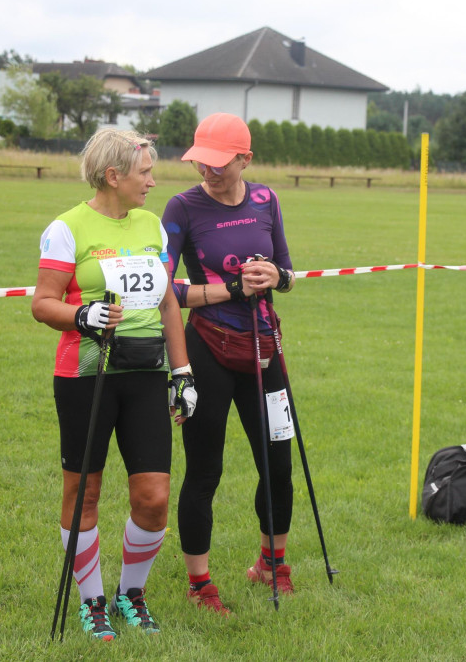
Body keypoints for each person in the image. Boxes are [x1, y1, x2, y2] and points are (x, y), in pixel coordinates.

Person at [32, 128, 197, 641]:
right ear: (114, 176)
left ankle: (132, 593)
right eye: (145, 171)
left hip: (146, 375)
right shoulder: (67, 228)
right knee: (85, 491)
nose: (152, 180)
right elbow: (43, 303)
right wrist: (83, 314)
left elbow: (169, 302)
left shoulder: (151, 224)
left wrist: (183, 372)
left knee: (153, 497)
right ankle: (92, 600)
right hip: (86, 375)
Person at [162, 113, 297, 616]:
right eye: (201, 160)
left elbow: (288, 271)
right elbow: (164, 289)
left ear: (245, 159)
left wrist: (275, 275)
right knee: (204, 471)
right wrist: (232, 288)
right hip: (208, 350)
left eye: (219, 162)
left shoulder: (266, 200)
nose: (208, 170)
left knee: (278, 466)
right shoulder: (182, 207)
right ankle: (200, 586)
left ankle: (272, 564)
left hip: (263, 348)